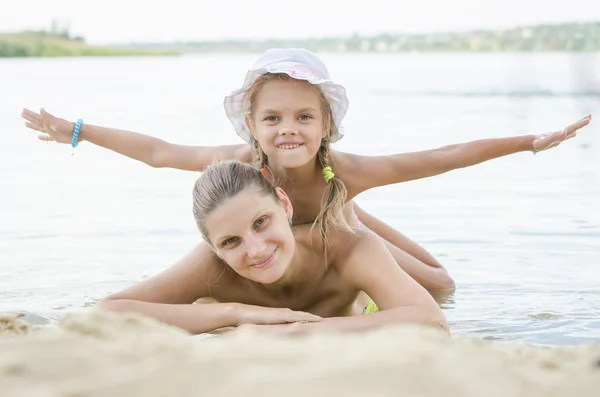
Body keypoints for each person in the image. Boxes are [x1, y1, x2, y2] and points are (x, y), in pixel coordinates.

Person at [21, 49, 592, 292]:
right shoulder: (238, 162)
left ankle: (355, 218)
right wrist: (75, 131)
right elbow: (159, 151)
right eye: (272, 117)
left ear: (326, 125)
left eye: (303, 116)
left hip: (339, 220)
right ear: (251, 123)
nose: (287, 128)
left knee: (441, 284)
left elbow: (441, 157)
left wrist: (529, 144)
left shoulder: (348, 168)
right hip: (296, 234)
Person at [97, 161, 449, 335]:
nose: (255, 249)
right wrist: (234, 313)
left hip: (359, 284)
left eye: (261, 222)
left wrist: (302, 332)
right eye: (230, 242)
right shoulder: (209, 265)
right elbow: (107, 310)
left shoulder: (349, 248)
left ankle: (350, 209)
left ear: (283, 203)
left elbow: (431, 318)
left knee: (442, 283)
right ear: (212, 247)